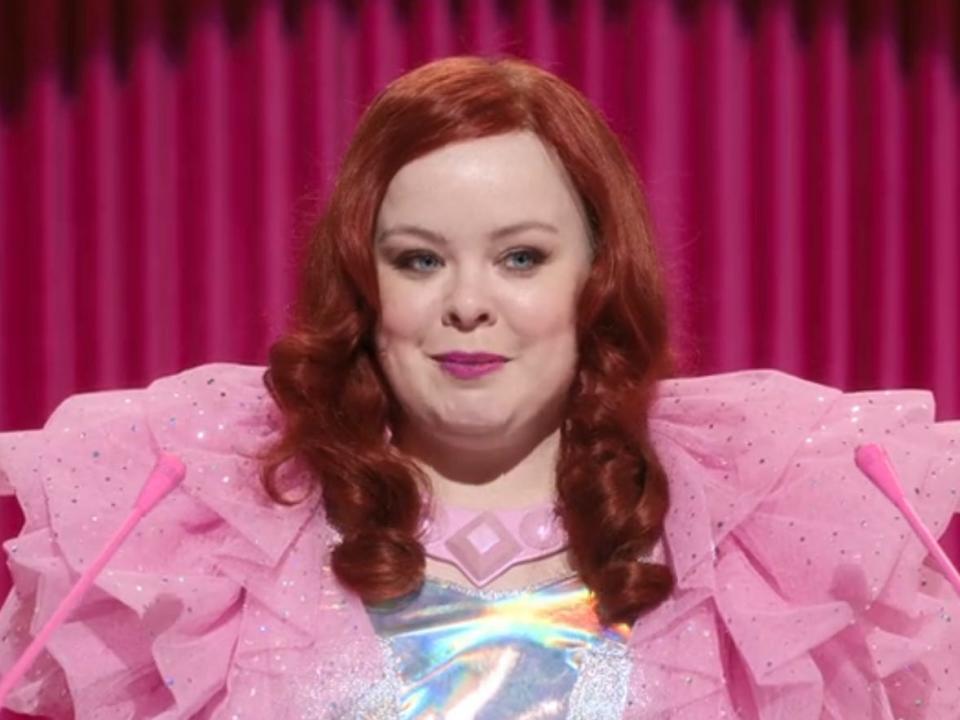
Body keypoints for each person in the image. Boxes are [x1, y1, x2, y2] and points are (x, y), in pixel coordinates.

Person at [0, 55, 958, 719]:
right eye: (419, 261)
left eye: (520, 257)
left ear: (597, 274)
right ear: (364, 284)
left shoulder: (759, 522)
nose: (467, 303)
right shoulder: (212, 517)